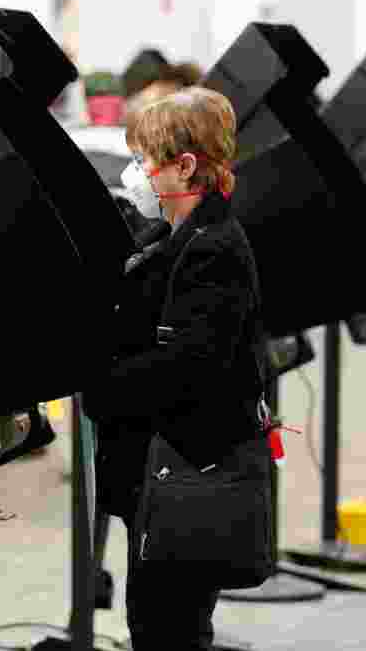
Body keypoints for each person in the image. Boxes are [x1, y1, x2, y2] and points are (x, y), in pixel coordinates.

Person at [83, 87, 264, 650]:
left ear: (185, 166)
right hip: (157, 476)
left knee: (169, 629)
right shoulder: (173, 234)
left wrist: (102, 385)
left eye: (145, 159)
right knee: (157, 623)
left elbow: (185, 367)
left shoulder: (215, 250)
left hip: (184, 476)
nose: (136, 170)